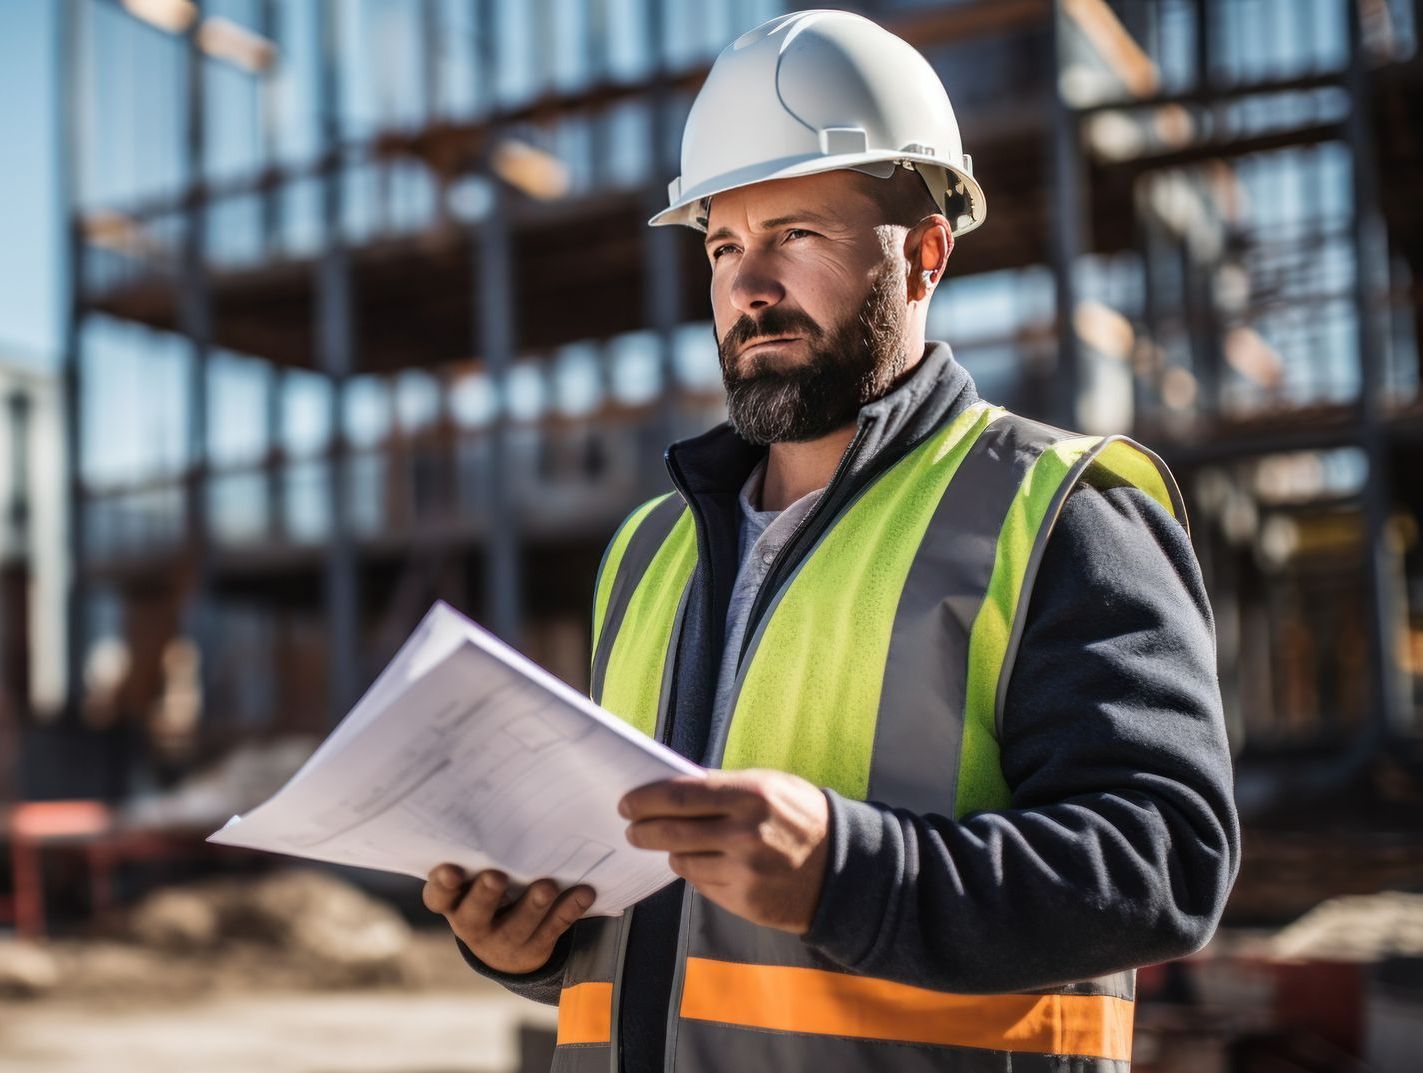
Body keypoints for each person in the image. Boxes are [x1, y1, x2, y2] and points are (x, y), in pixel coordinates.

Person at [423, 10, 1239, 1072]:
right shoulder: (646, 550)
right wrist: (530, 941)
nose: (747, 287)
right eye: (723, 245)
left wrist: (849, 872)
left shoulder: (1058, 511)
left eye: (794, 235)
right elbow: (662, 918)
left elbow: (1163, 861)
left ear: (924, 258)